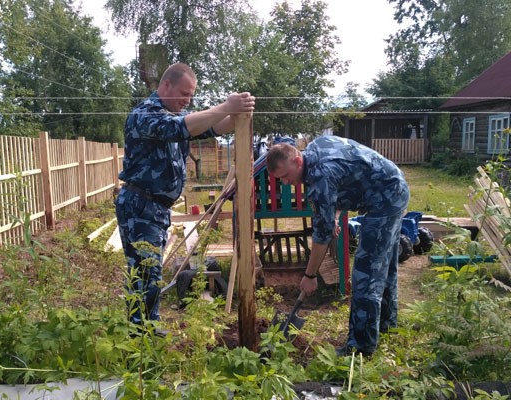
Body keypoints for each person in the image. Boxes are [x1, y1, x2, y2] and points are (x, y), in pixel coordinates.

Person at [115, 63, 255, 335]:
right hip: (139, 205)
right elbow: (180, 127)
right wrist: (226, 105)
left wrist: (239, 110)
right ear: (165, 85)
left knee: (150, 273)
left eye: (191, 95)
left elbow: (214, 127)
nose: (187, 100)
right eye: (183, 93)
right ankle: (140, 335)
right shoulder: (145, 115)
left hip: (155, 207)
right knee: (146, 273)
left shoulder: (176, 114)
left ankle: (146, 329)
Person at [266, 135, 409, 356]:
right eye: (280, 180)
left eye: (285, 176)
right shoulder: (316, 147)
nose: (286, 183)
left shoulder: (320, 176)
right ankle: (387, 326)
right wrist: (334, 212)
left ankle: (360, 348)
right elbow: (348, 175)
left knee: (366, 274)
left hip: (385, 200)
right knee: (384, 266)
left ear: (296, 160)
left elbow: (322, 236)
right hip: (393, 186)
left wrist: (310, 275)